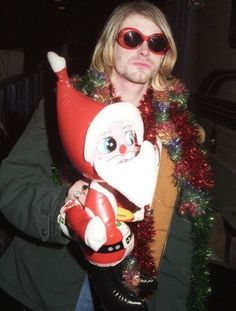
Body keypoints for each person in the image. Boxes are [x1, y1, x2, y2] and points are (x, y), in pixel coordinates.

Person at [0, 1, 214, 311]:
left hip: (132, 289)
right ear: (109, 44)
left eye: (156, 43)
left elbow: (181, 238)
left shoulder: (179, 135)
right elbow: (12, 181)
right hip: (48, 287)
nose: (144, 49)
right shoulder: (64, 106)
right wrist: (64, 210)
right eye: (131, 38)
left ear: (165, 54)